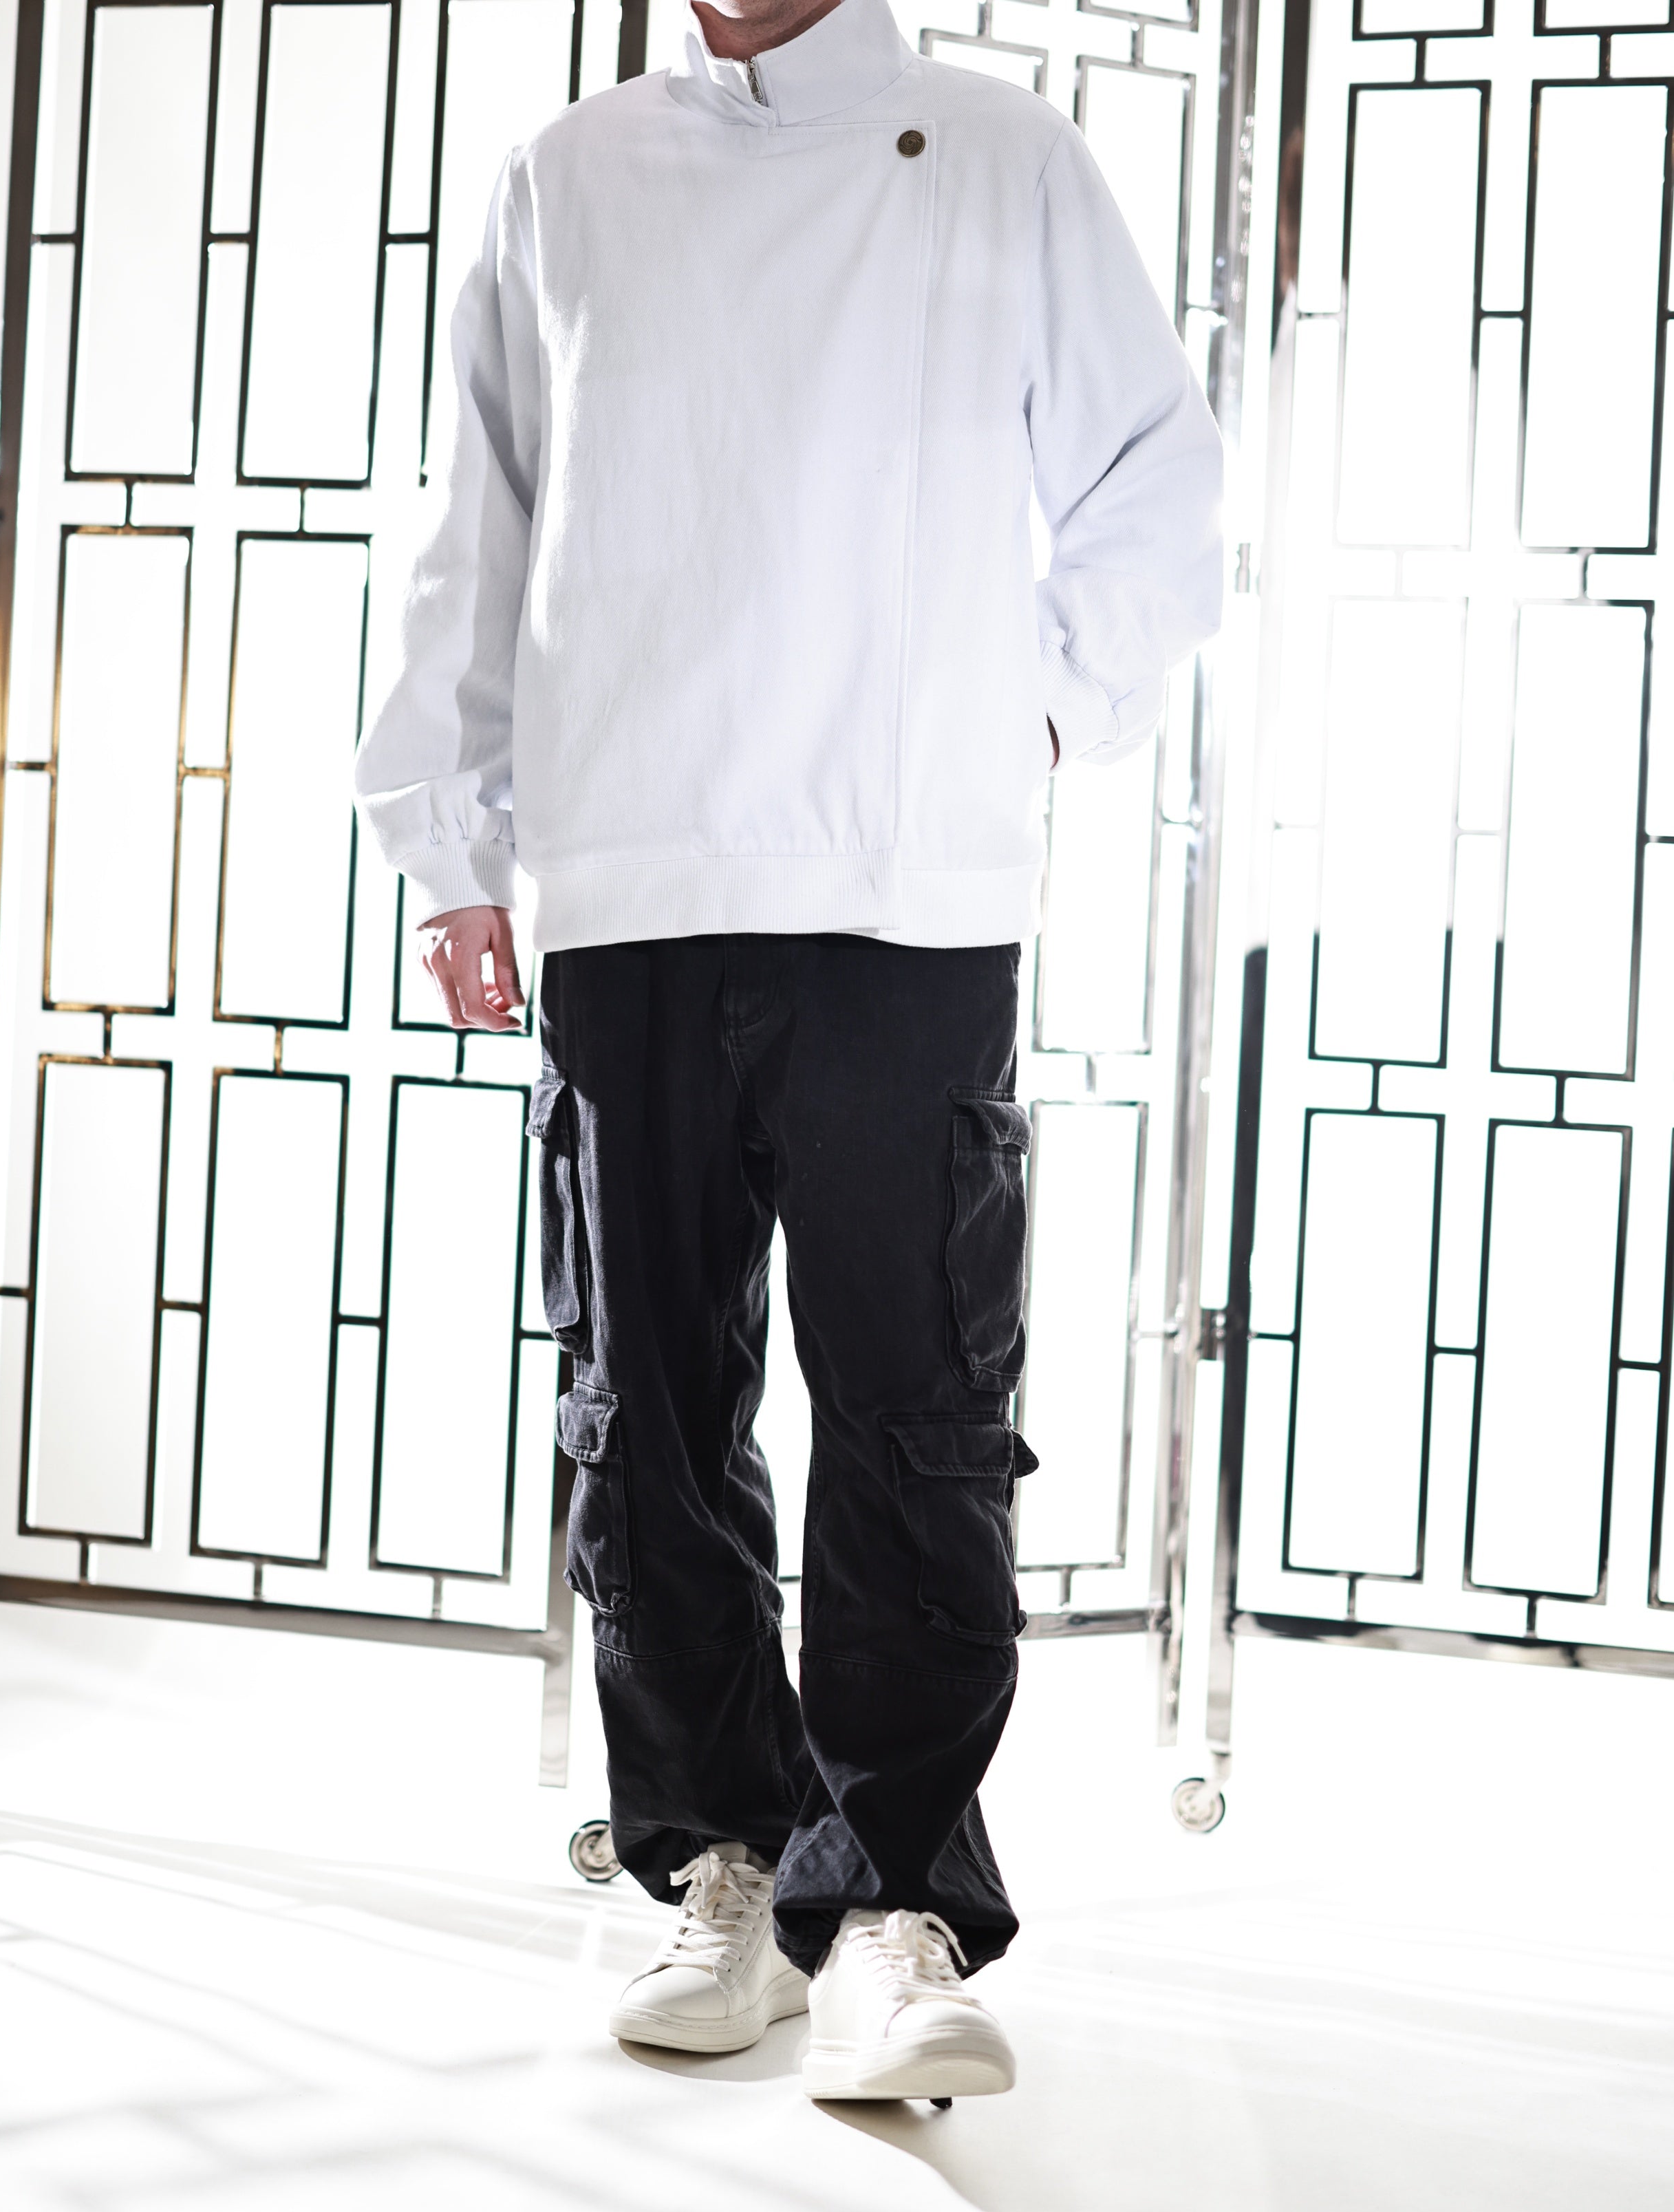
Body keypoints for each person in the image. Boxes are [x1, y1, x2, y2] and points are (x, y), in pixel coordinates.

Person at [356, 0, 1221, 2103]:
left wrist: (1033, 702)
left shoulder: (999, 154)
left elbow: (1158, 477)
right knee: (647, 1404)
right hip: (627, 862)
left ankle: (895, 1905)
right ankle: (722, 1867)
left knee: (916, 1408)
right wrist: (447, 843)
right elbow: (479, 524)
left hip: (904, 877)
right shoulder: (570, 176)